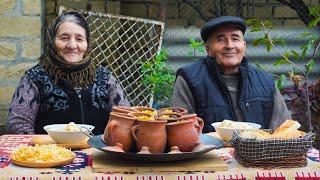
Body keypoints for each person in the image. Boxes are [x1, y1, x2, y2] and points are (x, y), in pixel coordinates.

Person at [6, 11, 129, 135]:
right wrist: (42, 150)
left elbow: (127, 119)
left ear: (87, 43)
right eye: (64, 38)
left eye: (79, 39)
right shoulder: (34, 78)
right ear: (52, 41)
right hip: (49, 152)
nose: (72, 45)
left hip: (98, 153)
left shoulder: (105, 78)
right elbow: (18, 124)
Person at [171, 16, 291, 133]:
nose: (229, 46)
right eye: (220, 40)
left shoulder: (265, 81)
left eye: (235, 39)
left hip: (260, 152)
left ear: (244, 46)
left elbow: (285, 131)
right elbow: (179, 133)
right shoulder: (189, 79)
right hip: (208, 153)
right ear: (208, 49)